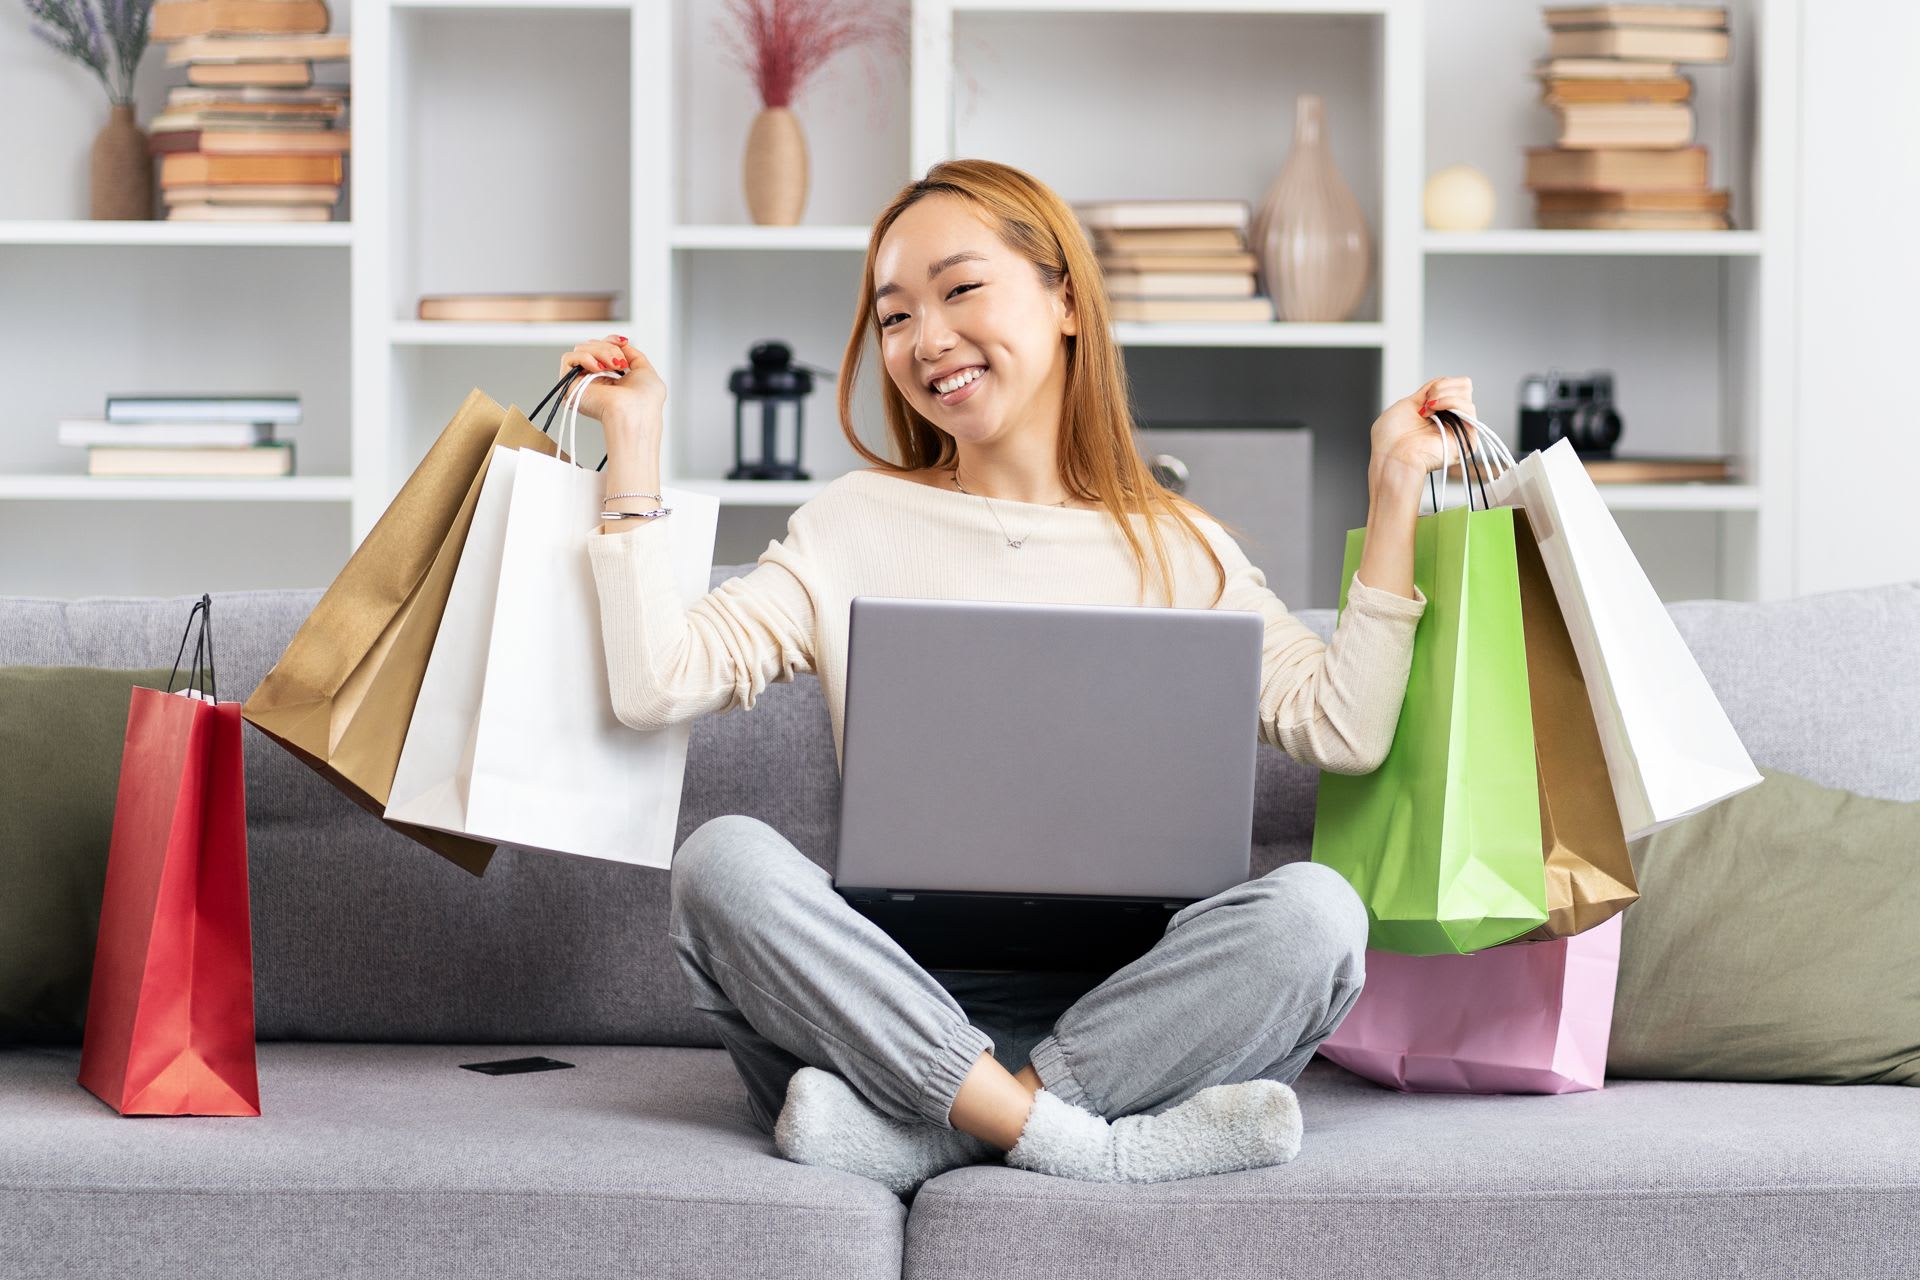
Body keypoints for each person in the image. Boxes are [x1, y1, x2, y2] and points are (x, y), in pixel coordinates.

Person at [560, 158, 1481, 1198]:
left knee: (1318, 912)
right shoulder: (853, 524)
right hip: (884, 1016)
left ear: (1067, 301)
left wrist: (1397, 487)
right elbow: (655, 681)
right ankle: (1074, 1140)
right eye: (894, 314)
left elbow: (1343, 726)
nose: (926, 338)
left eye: (959, 290)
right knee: (720, 861)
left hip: (1137, 1023)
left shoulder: (1181, 548)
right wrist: (631, 449)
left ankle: (945, 1136)